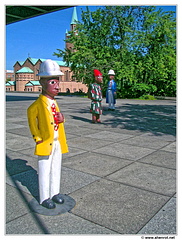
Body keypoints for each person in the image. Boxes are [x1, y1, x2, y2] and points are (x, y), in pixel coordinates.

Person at [27, 59, 68, 209]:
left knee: (56, 167)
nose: (57, 86)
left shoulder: (54, 102)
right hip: (45, 142)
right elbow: (31, 119)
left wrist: (62, 119)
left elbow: (55, 118)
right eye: (52, 82)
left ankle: (55, 192)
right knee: (44, 170)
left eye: (57, 82)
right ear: (42, 83)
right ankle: (44, 197)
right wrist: (37, 138)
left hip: (57, 141)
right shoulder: (37, 105)